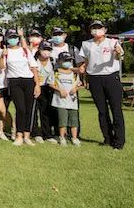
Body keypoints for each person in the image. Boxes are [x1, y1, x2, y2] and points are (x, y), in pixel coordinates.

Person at [78, 20, 125, 149]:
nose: (96, 30)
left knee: (116, 110)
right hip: (94, 79)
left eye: (99, 28)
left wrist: (117, 52)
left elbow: (118, 55)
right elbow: (86, 60)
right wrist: (83, 70)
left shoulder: (112, 42)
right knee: (102, 111)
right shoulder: (86, 44)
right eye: (93, 28)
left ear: (104, 30)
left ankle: (119, 141)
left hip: (111, 77)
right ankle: (107, 138)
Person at [0, 29, 39, 146]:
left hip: (28, 80)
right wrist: (2, 56)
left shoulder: (25, 50)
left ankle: (27, 135)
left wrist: (37, 85)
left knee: (29, 109)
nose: (13, 39)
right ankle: (19, 135)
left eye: (15, 37)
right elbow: (1, 67)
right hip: (14, 81)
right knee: (20, 108)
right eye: (10, 37)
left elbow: (34, 67)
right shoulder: (5, 51)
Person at [51, 52, 83, 146]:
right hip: (61, 101)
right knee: (62, 120)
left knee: (74, 120)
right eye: (65, 60)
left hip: (72, 101)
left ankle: (74, 137)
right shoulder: (56, 73)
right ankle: (62, 137)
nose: (67, 62)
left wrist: (75, 89)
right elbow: (51, 83)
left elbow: (79, 85)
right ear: (60, 61)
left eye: (69, 60)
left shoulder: (74, 74)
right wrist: (59, 90)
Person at [33, 41, 57, 144]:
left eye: (48, 50)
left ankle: (47, 134)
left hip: (47, 88)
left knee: (46, 111)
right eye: (44, 49)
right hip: (34, 87)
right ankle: (36, 133)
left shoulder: (52, 61)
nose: (46, 52)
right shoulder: (33, 59)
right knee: (34, 111)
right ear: (39, 49)